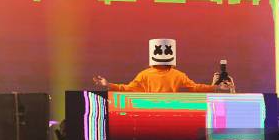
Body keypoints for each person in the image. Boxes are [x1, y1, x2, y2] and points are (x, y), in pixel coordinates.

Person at [93, 39, 234, 92]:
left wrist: (216, 87)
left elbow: (195, 88)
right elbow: (128, 89)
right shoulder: (145, 74)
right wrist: (108, 85)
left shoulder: (177, 75)